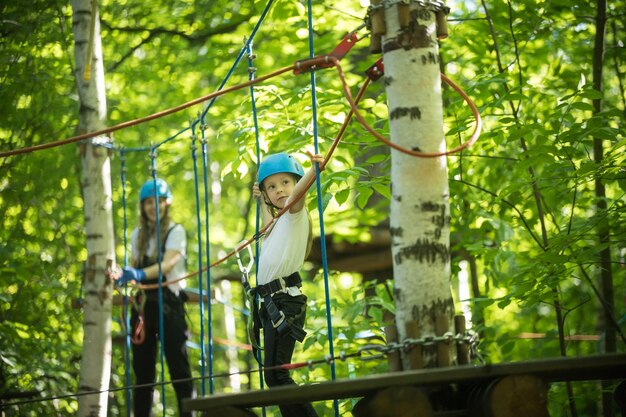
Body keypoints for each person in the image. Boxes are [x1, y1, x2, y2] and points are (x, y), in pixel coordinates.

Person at [251, 152, 323, 417]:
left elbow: (298, 196)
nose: (279, 190)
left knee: (278, 376)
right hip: (274, 303)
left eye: (285, 183)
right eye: (272, 186)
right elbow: (267, 224)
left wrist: (314, 171)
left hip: (284, 302)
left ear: (294, 184)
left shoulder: (294, 214)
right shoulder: (277, 223)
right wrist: (262, 202)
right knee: (273, 377)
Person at [115, 178, 194, 417]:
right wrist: (124, 275)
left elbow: (168, 263)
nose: (153, 206)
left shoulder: (175, 231)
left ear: (166, 203)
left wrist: (138, 273)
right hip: (143, 306)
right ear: (143, 206)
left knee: (178, 368)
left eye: (158, 201)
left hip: (169, 304)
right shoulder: (138, 234)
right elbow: (135, 267)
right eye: (148, 202)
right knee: (143, 373)